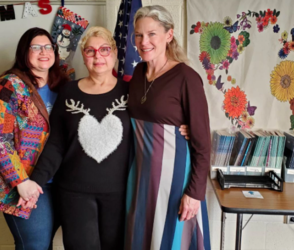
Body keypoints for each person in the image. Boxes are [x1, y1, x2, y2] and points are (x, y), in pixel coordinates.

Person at [23, 26, 191, 250]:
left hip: (122, 193)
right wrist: (35, 182)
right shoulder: (68, 92)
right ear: (84, 56)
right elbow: (56, 144)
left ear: (114, 53)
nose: (98, 56)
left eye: (104, 49)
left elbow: (153, 123)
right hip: (74, 194)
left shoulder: (132, 91)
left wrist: (182, 127)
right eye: (90, 51)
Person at [125, 5, 211, 250]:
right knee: (141, 238)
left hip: (175, 181)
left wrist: (195, 193)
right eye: (139, 35)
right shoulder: (138, 72)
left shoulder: (187, 78)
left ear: (168, 35)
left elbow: (203, 145)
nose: (144, 41)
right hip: (140, 178)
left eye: (152, 34)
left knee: (172, 241)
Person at [0, 27, 68, 250]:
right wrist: (20, 181)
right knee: (35, 246)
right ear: (24, 52)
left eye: (48, 46)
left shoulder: (65, 85)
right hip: (26, 184)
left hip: (61, 182)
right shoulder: (7, 87)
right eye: (36, 47)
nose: (44, 52)